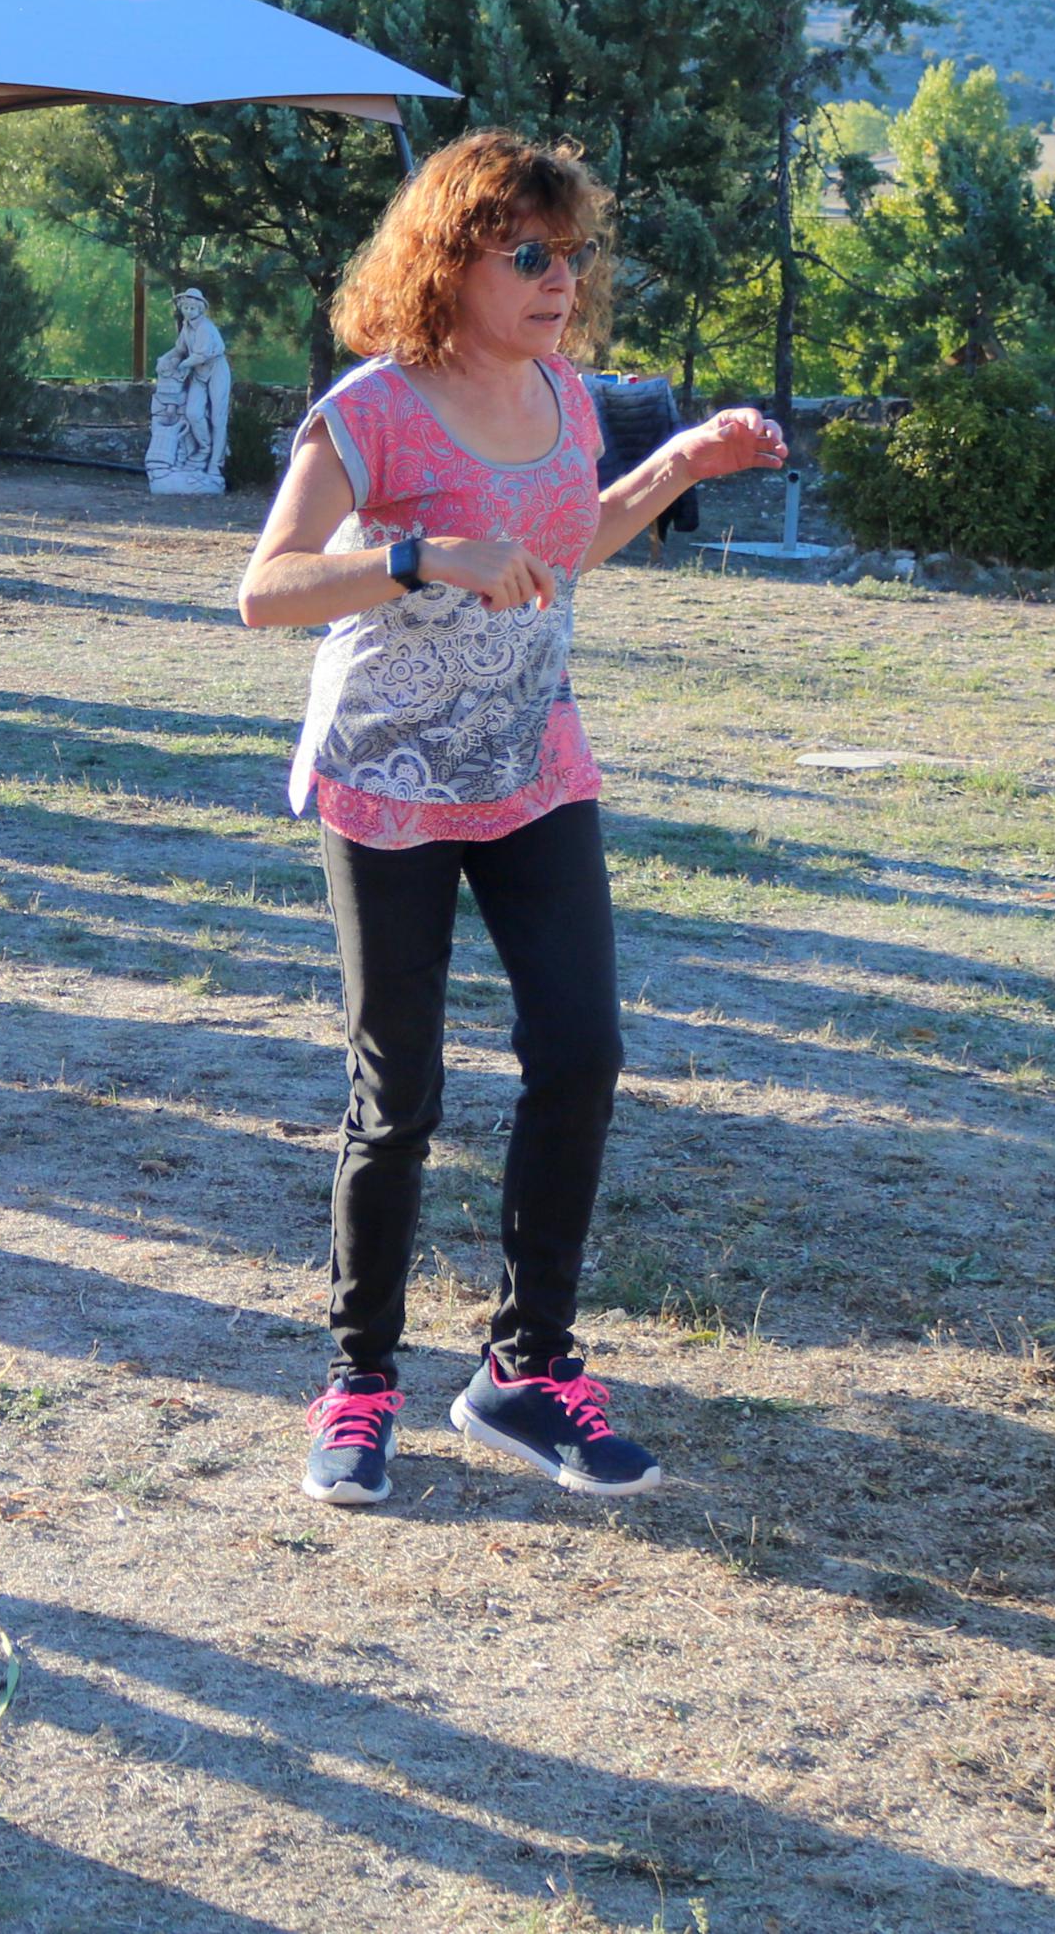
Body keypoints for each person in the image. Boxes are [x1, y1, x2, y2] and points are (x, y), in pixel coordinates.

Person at [232, 130, 784, 1514]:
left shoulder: (568, 394)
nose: (555, 278)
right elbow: (266, 586)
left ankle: (526, 1369)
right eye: (522, 253)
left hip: (532, 766)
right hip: (388, 782)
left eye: (569, 252)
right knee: (398, 1090)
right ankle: (360, 1381)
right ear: (446, 259)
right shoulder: (368, 409)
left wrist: (674, 471)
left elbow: (561, 537)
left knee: (580, 1051)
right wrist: (419, 553)